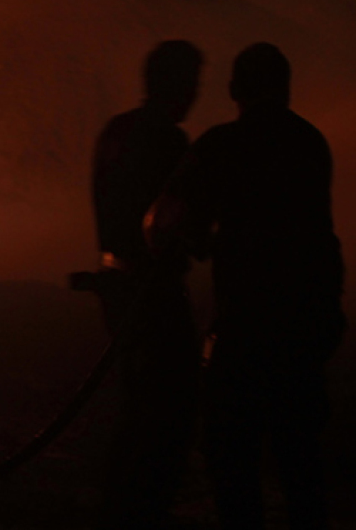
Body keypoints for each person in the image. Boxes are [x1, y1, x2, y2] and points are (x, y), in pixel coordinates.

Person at [147, 42, 346, 530]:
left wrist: (187, 242)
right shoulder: (311, 143)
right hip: (305, 323)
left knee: (231, 456)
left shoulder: (220, 145)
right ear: (286, 88)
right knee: (300, 461)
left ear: (235, 90)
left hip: (245, 325)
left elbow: (165, 222)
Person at [90, 40, 203, 529]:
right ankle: (143, 509)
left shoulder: (116, 131)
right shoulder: (168, 141)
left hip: (115, 284)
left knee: (137, 402)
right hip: (151, 291)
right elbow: (179, 223)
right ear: (178, 86)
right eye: (192, 83)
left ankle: (119, 505)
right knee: (169, 404)